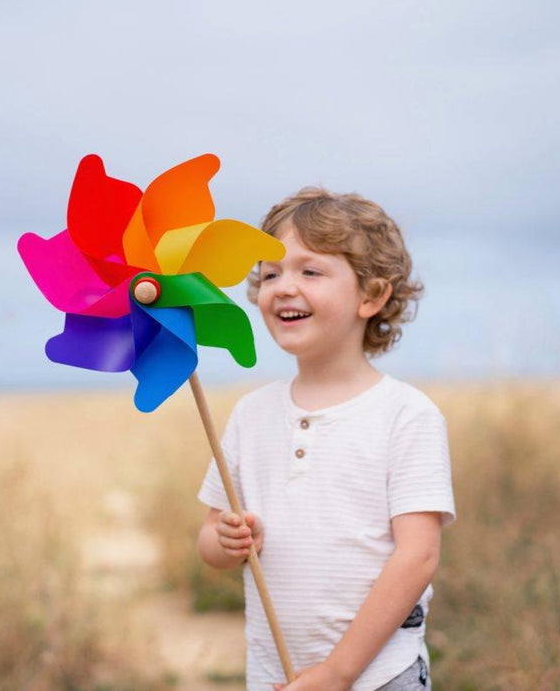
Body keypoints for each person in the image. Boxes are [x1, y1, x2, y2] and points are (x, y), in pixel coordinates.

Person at [196, 186, 457, 691]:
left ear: (372, 296)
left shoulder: (406, 415)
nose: (283, 287)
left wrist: (339, 673)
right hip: (277, 676)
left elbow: (418, 556)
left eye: (310, 271)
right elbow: (209, 541)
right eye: (271, 274)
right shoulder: (251, 415)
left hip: (379, 676)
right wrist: (226, 540)